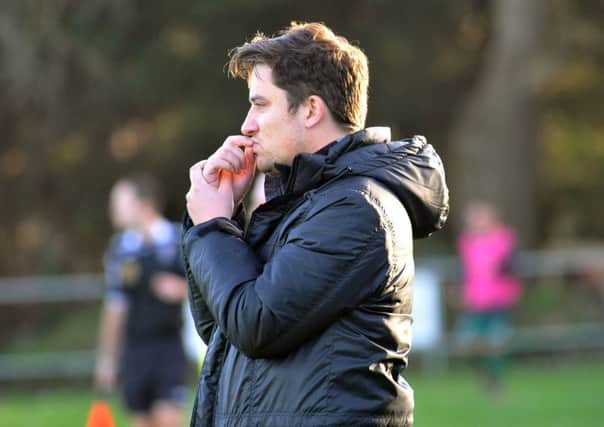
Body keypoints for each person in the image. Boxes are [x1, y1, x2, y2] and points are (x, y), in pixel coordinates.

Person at [183, 22, 449, 427]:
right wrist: (228, 215)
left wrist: (213, 226)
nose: (247, 124)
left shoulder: (358, 210)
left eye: (261, 104)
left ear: (310, 109)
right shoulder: (303, 203)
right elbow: (221, 330)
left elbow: (255, 325)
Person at [95, 175, 189, 427]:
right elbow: (115, 306)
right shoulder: (120, 249)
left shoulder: (179, 238)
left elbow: (208, 288)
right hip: (135, 351)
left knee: (168, 418)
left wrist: (182, 289)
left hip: (169, 345)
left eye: (119, 202)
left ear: (144, 204)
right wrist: (107, 358)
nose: (113, 210)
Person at [456, 200, 522, 396]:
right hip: (475, 302)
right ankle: (485, 376)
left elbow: (512, 266)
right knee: (467, 342)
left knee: (496, 343)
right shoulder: (466, 241)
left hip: (499, 300)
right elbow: (467, 271)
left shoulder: (505, 238)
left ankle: (497, 384)